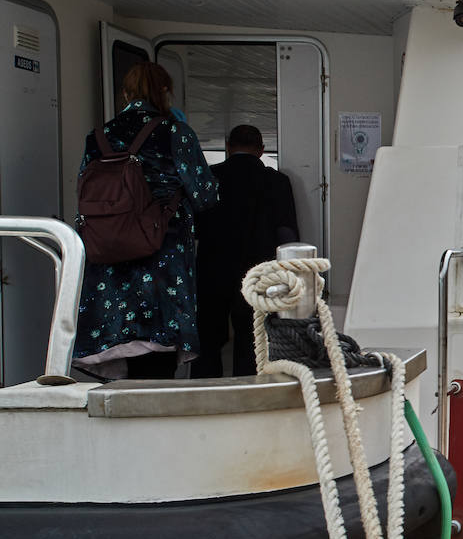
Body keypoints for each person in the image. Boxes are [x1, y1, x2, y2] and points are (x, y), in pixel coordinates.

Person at [73, 63, 218, 379]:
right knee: (156, 361)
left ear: (126, 94)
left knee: (123, 361)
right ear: (164, 92)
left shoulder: (97, 137)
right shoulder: (175, 132)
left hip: (107, 258)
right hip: (160, 257)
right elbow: (205, 195)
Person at [192, 124, 300, 377]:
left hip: (212, 269)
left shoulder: (209, 177)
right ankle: (248, 394)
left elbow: (194, 227)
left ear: (228, 148)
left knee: (208, 341)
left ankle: (205, 396)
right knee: (252, 340)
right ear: (261, 150)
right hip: (258, 271)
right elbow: (287, 234)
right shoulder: (277, 181)